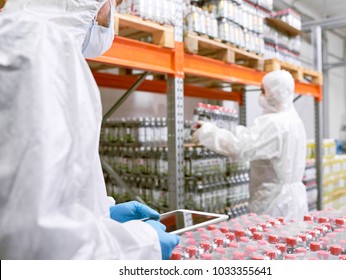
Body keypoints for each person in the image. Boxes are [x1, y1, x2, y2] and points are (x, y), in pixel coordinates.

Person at [0, 0, 179, 260]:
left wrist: (100, 215)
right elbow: (42, 247)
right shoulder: (36, 50)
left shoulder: (31, 44)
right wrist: (143, 244)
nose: (111, 11)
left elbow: (37, 194)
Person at [192, 70, 309, 221]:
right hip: (295, 199)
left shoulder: (274, 123)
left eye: (263, 91)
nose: (260, 96)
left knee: (272, 241)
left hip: (276, 201)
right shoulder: (294, 121)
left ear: (274, 94)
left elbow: (241, 148)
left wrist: (208, 132)